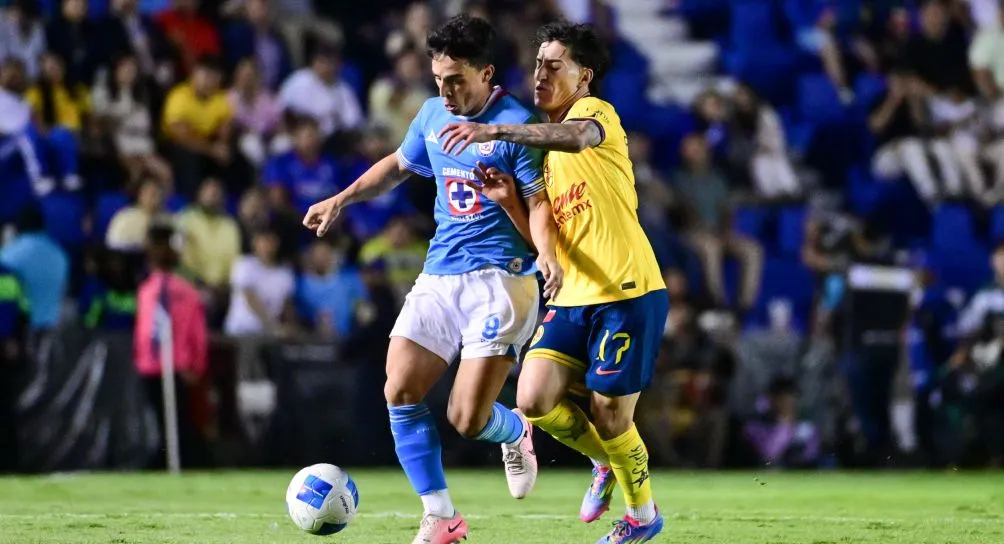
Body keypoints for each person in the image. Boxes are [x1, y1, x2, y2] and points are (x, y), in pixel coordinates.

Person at [301, 15, 551, 543]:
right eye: (438, 80)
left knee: (466, 418)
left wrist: (521, 218)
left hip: (502, 281)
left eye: (456, 80)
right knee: (399, 388)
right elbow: (397, 165)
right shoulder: (433, 114)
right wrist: (341, 200)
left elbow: (540, 222)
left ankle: (515, 429)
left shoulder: (517, 127)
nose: (445, 91)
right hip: (440, 273)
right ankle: (441, 517)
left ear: (486, 73)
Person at [437, 21, 668, 543]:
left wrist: (496, 131)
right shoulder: (542, 153)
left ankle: (642, 516)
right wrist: (508, 203)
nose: (539, 74)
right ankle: (604, 462)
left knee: (611, 415)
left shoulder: (595, 114)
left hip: (626, 290)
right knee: (534, 399)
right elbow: (545, 237)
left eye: (554, 65)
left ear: (583, 76)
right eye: (538, 64)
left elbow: (577, 136)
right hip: (572, 295)